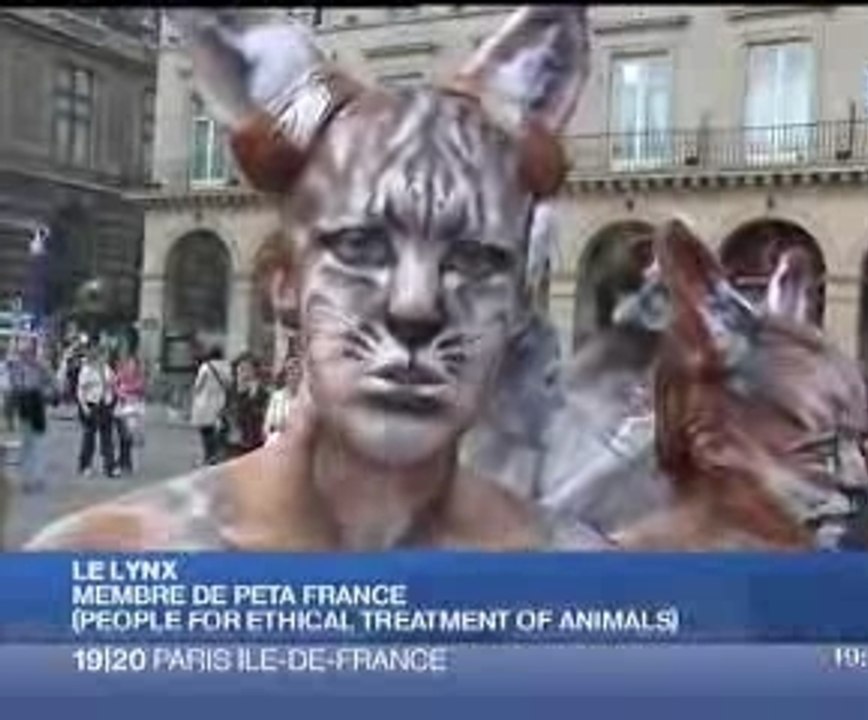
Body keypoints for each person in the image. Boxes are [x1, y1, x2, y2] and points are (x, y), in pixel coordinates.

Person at [24, 7, 607, 552]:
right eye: (361, 246)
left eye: (475, 261)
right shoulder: (103, 566)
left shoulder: (582, 584)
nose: (415, 305)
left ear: (516, 304)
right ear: (284, 284)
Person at [8, 335, 56, 493]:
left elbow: (52, 383)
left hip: (37, 404)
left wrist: (47, 393)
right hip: (24, 405)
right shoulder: (16, 367)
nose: (25, 355)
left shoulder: (41, 366)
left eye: (28, 351)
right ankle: (27, 479)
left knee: (38, 444)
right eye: (23, 352)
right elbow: (13, 387)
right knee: (27, 444)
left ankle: (36, 477)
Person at [76, 345, 118, 477]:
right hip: (91, 404)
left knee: (107, 437)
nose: (104, 358)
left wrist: (112, 398)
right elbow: (80, 390)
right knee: (89, 437)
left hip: (105, 404)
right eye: (102, 356)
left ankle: (109, 467)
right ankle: (85, 466)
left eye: (105, 356)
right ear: (96, 356)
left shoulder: (106, 369)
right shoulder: (87, 370)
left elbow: (113, 383)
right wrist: (84, 407)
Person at [189, 347, 231, 465]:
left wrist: (194, 395)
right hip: (220, 401)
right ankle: (214, 455)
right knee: (216, 429)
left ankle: (208, 455)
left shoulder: (206, 367)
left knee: (205, 430)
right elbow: (229, 384)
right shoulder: (226, 367)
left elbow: (198, 385)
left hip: (205, 402)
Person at [223, 353, 269, 458]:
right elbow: (226, 410)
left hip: (252, 442)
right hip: (232, 441)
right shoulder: (231, 390)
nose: (243, 372)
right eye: (241, 368)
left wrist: (252, 396)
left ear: (254, 372)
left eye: (248, 369)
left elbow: (260, 416)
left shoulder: (261, 393)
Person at [114, 351, 147, 475]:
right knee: (123, 436)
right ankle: (123, 461)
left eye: (133, 364)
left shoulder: (140, 376)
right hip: (122, 408)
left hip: (134, 409)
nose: (131, 366)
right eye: (129, 363)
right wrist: (121, 393)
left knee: (128, 437)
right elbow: (115, 385)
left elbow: (141, 388)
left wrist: (127, 390)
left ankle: (125, 462)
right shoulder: (122, 374)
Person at [263, 354, 301, 444]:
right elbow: (267, 426)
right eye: (290, 371)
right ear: (285, 375)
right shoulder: (277, 397)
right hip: (278, 444)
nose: (294, 376)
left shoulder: (309, 398)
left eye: (298, 372)